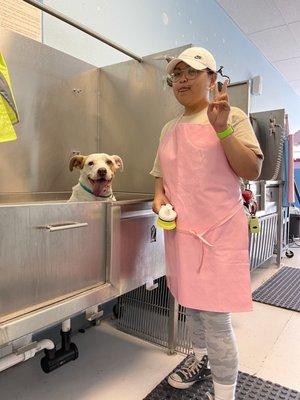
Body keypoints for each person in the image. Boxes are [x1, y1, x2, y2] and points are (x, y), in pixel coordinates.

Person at [150, 47, 263, 400]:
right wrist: (158, 197)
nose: (182, 80)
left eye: (192, 72)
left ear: (212, 79)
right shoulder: (169, 127)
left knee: (216, 319)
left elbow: (252, 170)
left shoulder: (233, 116)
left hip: (218, 234)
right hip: (181, 233)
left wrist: (223, 129)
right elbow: (160, 175)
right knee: (191, 305)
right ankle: (199, 360)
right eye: (177, 74)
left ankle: (225, 392)